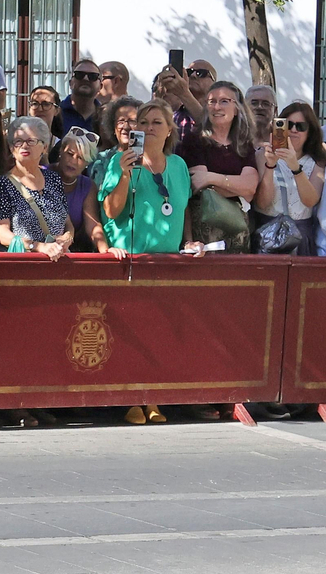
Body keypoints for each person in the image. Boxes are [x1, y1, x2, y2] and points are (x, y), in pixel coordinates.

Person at [97, 98, 198, 422]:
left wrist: (187, 241)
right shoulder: (120, 160)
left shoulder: (179, 166)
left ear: (170, 130)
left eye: (157, 122)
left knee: (159, 331)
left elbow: (182, 209)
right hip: (132, 259)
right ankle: (129, 399)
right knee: (130, 331)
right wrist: (125, 174)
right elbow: (111, 211)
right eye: (144, 123)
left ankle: (152, 397)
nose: (149, 128)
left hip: (167, 261)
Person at [178, 80, 258, 248]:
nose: (217, 107)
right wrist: (236, 186)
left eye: (224, 101)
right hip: (204, 232)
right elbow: (199, 185)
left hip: (237, 231)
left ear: (237, 108)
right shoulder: (195, 140)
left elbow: (250, 189)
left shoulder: (244, 144)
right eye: (211, 101)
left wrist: (211, 177)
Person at [0, 116, 75, 260]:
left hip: (58, 262)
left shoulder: (53, 179)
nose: (24, 146)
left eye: (31, 141)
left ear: (45, 147)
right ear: (11, 148)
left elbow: (68, 225)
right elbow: (1, 233)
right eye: (18, 141)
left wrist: (68, 237)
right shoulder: (3, 184)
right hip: (24, 263)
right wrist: (37, 246)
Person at [257, 102, 324, 257]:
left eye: (301, 126)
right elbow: (262, 203)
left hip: (300, 238)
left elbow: (310, 201)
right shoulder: (263, 155)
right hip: (266, 236)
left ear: (310, 131)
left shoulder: (317, 161)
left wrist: (295, 168)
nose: (294, 130)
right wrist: (270, 166)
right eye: (289, 125)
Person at [56, 128, 101, 252]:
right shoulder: (43, 174)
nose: (73, 161)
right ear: (61, 151)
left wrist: (106, 252)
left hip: (72, 254)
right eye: (70, 154)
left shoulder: (88, 186)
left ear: (87, 163)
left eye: (81, 158)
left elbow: (93, 226)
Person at [157, 58, 216, 139]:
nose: (193, 75)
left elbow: (211, 127)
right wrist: (159, 95)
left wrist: (184, 93)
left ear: (214, 83)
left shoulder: (219, 112)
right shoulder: (174, 114)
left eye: (201, 73)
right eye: (189, 72)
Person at [91, 96, 142, 185]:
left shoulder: (149, 157)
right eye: (121, 121)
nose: (126, 127)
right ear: (113, 127)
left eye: (132, 121)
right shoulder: (102, 160)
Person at [59, 60, 103, 135]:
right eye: (79, 75)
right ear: (70, 83)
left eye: (93, 76)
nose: (85, 79)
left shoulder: (105, 117)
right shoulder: (56, 113)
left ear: (100, 86)